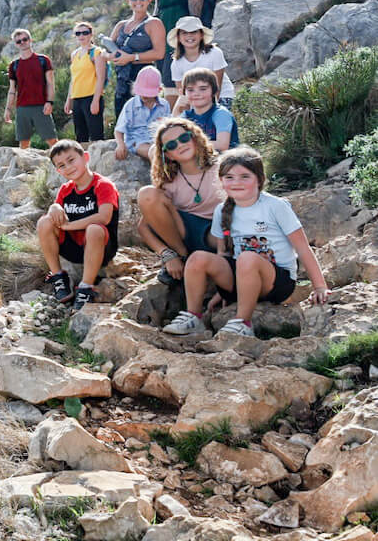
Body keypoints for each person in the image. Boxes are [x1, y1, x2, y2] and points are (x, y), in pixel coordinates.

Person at [163, 147, 329, 339]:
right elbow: (222, 255)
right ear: (221, 181)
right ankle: (194, 317)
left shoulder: (275, 206)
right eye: (229, 177)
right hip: (240, 280)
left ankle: (243, 322)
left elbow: (302, 248)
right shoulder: (221, 210)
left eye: (244, 176)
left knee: (247, 258)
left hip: (276, 283)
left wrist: (319, 286)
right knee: (198, 258)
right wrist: (222, 290)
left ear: (259, 179)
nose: (236, 182)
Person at [137, 118, 226, 288]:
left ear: (195, 138)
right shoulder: (169, 181)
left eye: (184, 138)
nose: (179, 145)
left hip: (217, 235)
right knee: (147, 194)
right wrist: (166, 254)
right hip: (185, 235)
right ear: (168, 155)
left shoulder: (221, 168)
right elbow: (143, 228)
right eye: (171, 145)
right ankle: (182, 257)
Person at [38, 139, 120, 312]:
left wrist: (69, 226)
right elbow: (55, 214)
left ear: (86, 157)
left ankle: (86, 287)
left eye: (71, 160)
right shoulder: (65, 190)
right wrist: (54, 207)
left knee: (95, 228)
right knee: (44, 222)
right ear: (57, 170)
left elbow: (104, 217)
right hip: (75, 249)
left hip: (101, 247)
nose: (68, 167)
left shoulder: (103, 185)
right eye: (61, 165)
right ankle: (59, 277)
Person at [106, 0, 167, 117]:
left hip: (145, 81)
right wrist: (113, 57)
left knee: (144, 122)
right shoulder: (121, 25)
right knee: (122, 121)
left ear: (149, 0)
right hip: (122, 82)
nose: (138, 1)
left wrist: (131, 58)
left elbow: (159, 53)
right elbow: (107, 52)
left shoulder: (154, 23)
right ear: (128, 0)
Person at [152, 0, 204, 88]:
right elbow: (155, 20)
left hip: (181, 48)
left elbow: (196, 19)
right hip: (163, 50)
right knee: (167, 88)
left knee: (180, 88)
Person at [3, 28, 57, 149]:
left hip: (41, 106)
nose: (22, 42)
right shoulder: (14, 65)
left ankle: (61, 165)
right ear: (16, 45)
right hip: (22, 108)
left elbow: (50, 84)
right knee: (23, 143)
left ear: (30, 40)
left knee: (52, 140)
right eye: (18, 41)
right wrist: (8, 109)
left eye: (24, 39)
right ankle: (25, 167)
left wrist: (50, 102)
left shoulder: (43, 60)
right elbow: (12, 90)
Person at [168, 16, 236, 109]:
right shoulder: (176, 63)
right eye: (184, 33)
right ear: (179, 37)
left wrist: (209, 111)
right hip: (195, 101)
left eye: (194, 32)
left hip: (221, 97)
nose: (189, 36)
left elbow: (217, 87)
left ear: (201, 35)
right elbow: (183, 93)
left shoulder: (215, 53)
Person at [113, 67, 170, 160]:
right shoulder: (131, 105)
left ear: (158, 90)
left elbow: (168, 128)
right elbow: (119, 129)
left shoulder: (164, 105)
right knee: (156, 154)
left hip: (158, 140)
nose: (144, 96)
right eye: (142, 92)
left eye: (148, 93)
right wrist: (120, 144)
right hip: (137, 141)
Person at [65, 21, 107, 144]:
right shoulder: (74, 54)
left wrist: (95, 101)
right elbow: (73, 79)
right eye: (78, 33)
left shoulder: (97, 52)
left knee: (96, 136)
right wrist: (69, 99)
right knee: (80, 137)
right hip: (77, 99)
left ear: (91, 34)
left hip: (91, 97)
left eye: (85, 33)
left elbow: (101, 78)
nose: (81, 36)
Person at [180, 68, 239, 151]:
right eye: (190, 90)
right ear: (183, 93)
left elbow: (222, 145)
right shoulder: (186, 116)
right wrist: (177, 107)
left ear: (214, 91)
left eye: (203, 89)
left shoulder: (220, 114)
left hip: (226, 160)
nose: (196, 94)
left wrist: (190, 144)